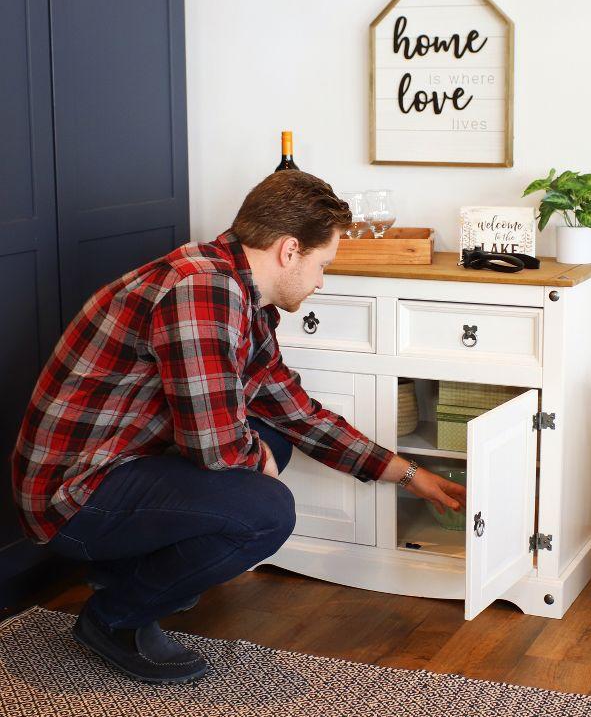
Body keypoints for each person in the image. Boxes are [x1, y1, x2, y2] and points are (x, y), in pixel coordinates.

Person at [11, 170, 467, 685]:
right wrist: (256, 466)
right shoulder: (202, 290)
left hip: (119, 465)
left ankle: (124, 571)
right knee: (265, 509)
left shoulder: (234, 288)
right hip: (71, 498)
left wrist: (408, 474)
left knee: (272, 439)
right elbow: (216, 448)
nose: (321, 282)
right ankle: (113, 618)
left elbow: (294, 411)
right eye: (322, 266)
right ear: (290, 249)